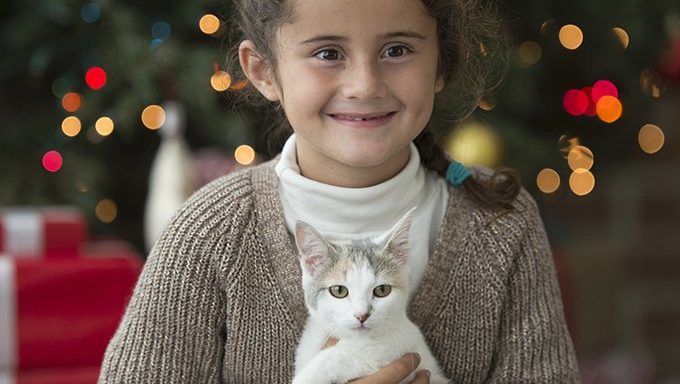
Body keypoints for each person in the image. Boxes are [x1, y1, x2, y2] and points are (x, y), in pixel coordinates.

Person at [99, 0, 580, 382]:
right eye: (328, 53)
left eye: (397, 50)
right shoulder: (207, 234)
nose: (364, 85)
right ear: (263, 70)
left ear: (441, 62)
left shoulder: (501, 219)